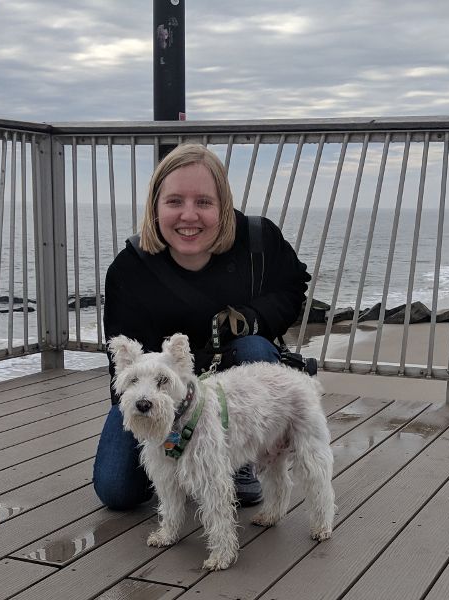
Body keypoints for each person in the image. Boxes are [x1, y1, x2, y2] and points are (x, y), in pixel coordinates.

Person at [93, 144, 311, 511]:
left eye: (204, 202)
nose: (189, 216)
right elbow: (126, 365)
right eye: (175, 201)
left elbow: (294, 287)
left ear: (223, 205)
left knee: (255, 347)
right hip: (163, 390)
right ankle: (177, 470)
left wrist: (252, 317)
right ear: (155, 205)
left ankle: (237, 460)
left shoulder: (259, 240)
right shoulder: (129, 269)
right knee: (117, 490)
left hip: (236, 392)